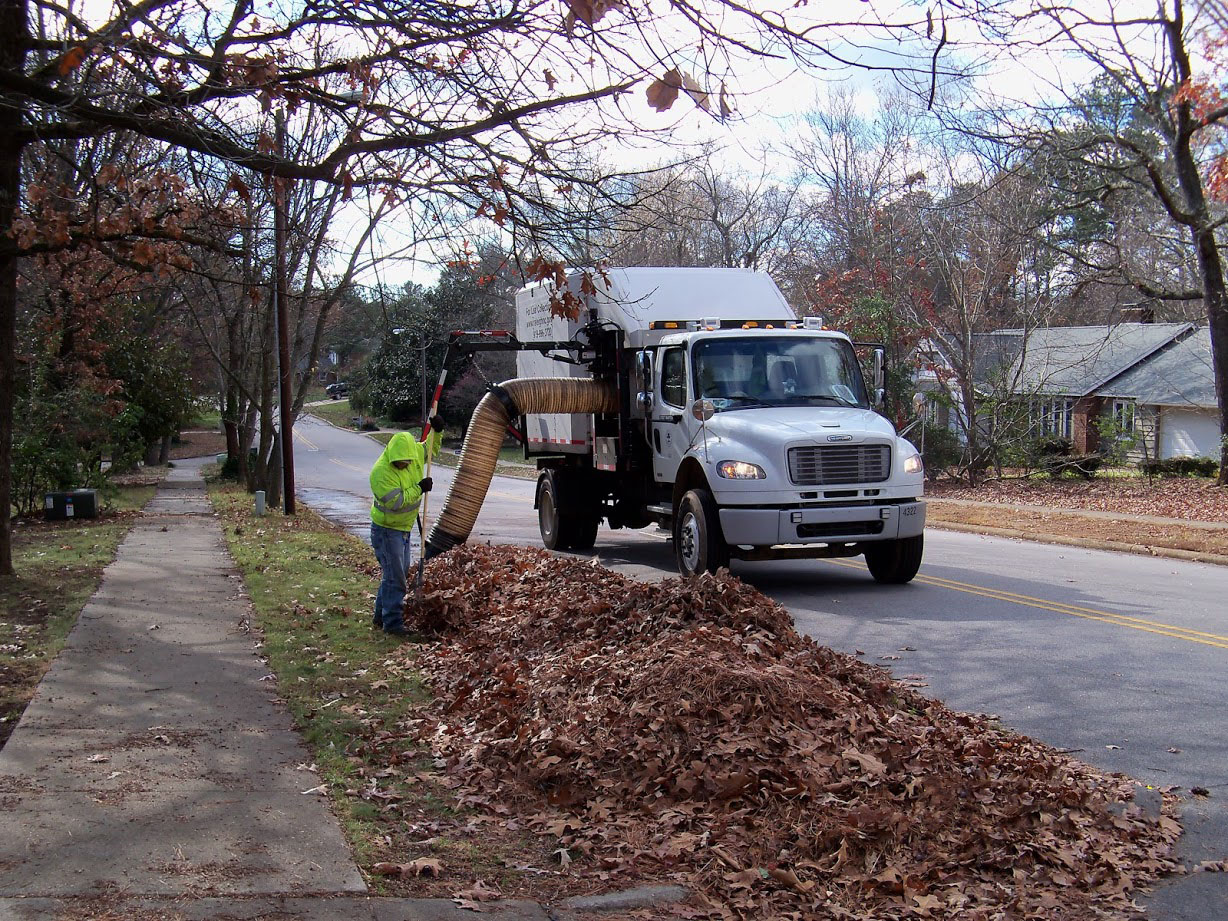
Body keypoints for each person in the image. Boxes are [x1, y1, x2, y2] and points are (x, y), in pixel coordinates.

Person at [369, 417, 443, 636]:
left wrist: (437, 432)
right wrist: (420, 489)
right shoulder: (380, 473)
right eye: (401, 462)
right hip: (386, 531)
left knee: (396, 573)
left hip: (403, 528)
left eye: (407, 461)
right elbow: (398, 501)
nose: (405, 465)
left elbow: (430, 450)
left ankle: (380, 616)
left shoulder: (414, 455)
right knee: (396, 578)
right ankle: (393, 624)